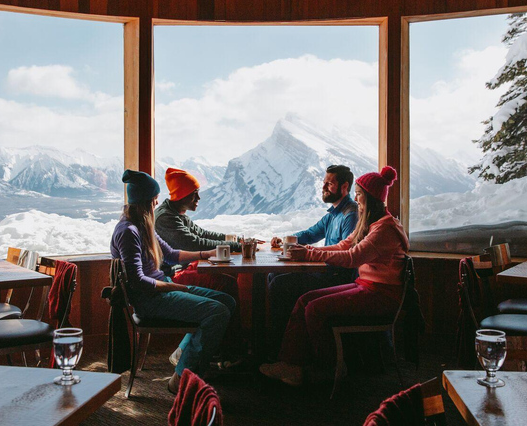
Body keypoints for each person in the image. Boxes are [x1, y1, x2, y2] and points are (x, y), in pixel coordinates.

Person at [260, 166, 407, 386]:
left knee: (314, 308)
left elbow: (351, 257)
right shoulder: (372, 225)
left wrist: (310, 253)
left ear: (369, 198)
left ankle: (329, 368)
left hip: (381, 295)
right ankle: (290, 363)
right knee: (305, 301)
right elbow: (344, 245)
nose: (356, 199)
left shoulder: (384, 230)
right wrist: (306, 250)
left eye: (359, 194)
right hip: (366, 286)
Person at [110, 169, 236, 394]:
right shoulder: (128, 231)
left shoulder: (143, 225)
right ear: (146, 201)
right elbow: (138, 282)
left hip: (161, 289)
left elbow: (171, 254)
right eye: (154, 198)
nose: (158, 201)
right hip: (150, 300)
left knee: (227, 301)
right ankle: (181, 377)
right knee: (218, 312)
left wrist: (205, 254)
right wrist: (174, 286)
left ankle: (187, 358)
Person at [155, 167, 244, 364]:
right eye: (195, 194)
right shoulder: (165, 218)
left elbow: (203, 234)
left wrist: (235, 239)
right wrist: (237, 246)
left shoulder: (176, 212)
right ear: (183, 194)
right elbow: (194, 243)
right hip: (170, 276)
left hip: (179, 271)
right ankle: (225, 352)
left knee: (228, 282)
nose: (199, 198)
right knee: (226, 286)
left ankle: (210, 350)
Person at [267, 165, 358, 354]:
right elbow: (310, 234)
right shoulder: (333, 214)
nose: (324, 187)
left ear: (344, 187)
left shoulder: (350, 214)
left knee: (279, 284)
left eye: (329, 183)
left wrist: (308, 252)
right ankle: (281, 343)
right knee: (272, 275)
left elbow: (347, 252)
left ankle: (280, 348)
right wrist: (285, 240)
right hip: (325, 271)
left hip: (338, 277)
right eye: (324, 183)